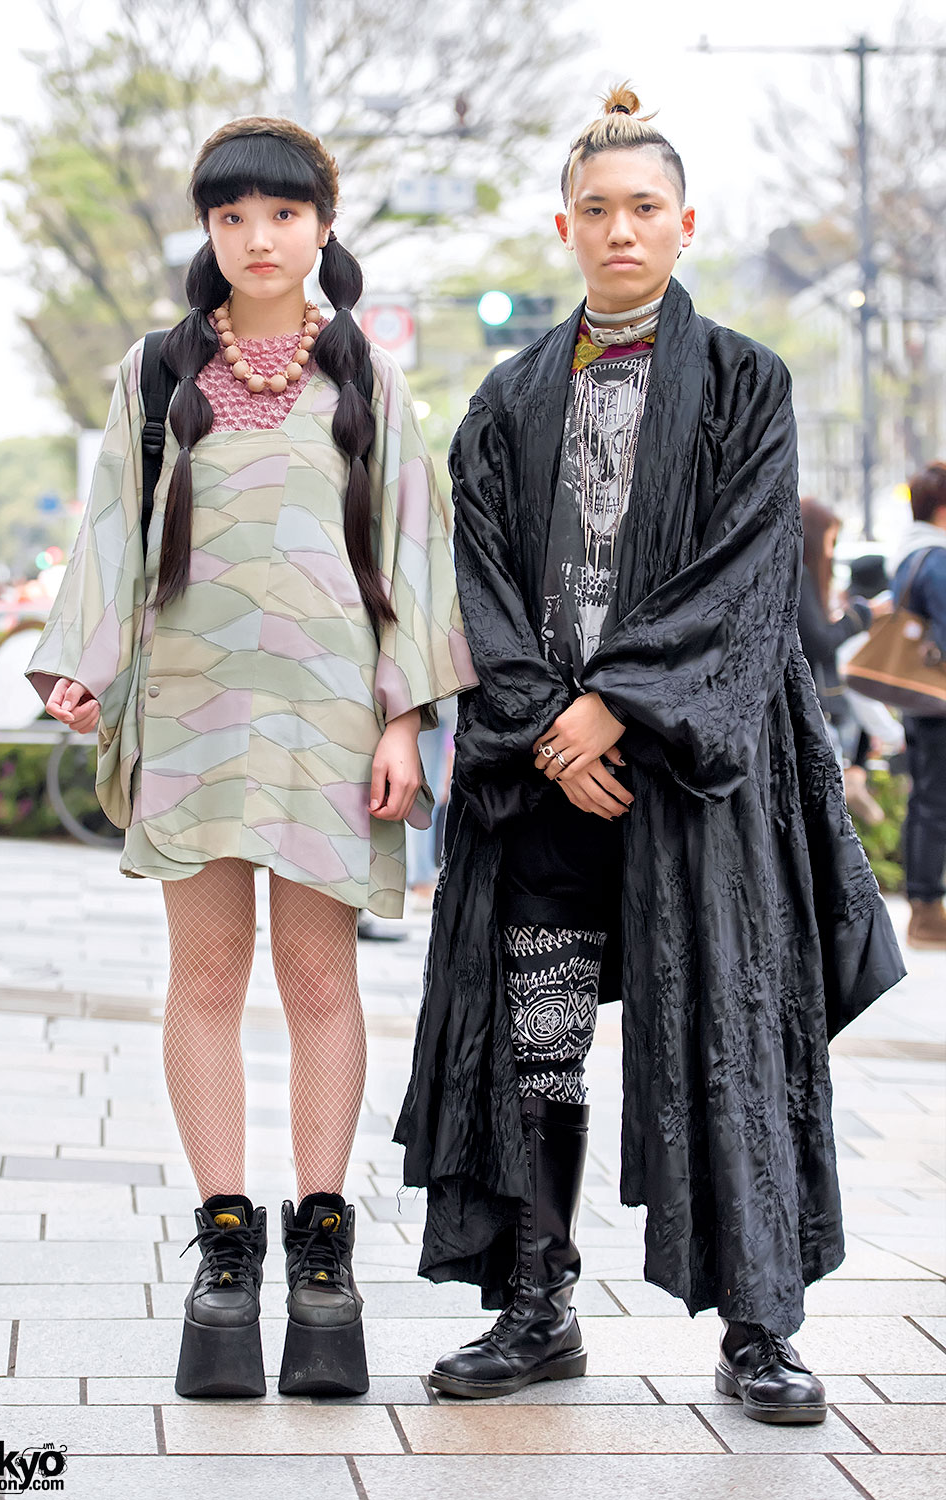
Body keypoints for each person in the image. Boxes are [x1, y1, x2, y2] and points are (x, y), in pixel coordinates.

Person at [395, 86, 905, 1424]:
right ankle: (538, 1303)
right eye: (597, 210)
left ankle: (759, 1327)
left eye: (644, 208)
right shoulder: (506, 399)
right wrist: (548, 727)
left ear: (686, 224)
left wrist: (615, 703)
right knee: (540, 1042)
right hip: (547, 782)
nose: (620, 230)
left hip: (696, 780)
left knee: (728, 1035)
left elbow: (745, 574)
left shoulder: (745, 382)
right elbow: (477, 582)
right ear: (565, 227)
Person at [26, 116, 476, 1400]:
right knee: (208, 974)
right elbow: (113, 531)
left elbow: (412, 557)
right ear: (209, 231)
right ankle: (226, 1250)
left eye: (282, 214)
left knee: (322, 979)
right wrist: (87, 666)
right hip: (193, 711)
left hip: (331, 720)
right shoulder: (155, 371)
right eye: (232, 217)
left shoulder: (369, 378)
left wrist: (404, 718)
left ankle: (322, 1255)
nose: (258, 237)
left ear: (322, 227)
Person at [797, 498, 891, 823]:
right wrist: (861, 615)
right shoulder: (801, 577)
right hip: (817, 711)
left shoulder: (799, 577)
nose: (831, 551)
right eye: (830, 540)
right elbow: (820, 642)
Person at [891, 461, 946, 949]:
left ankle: (924, 908)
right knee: (933, 803)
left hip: (918, 699)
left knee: (925, 799)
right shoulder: (937, 559)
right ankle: (927, 913)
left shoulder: (908, 555)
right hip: (939, 701)